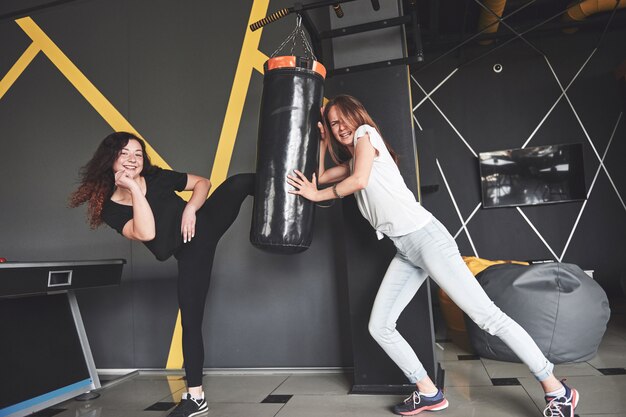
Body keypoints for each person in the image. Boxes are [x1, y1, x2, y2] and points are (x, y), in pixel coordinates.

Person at [286, 95, 579, 417]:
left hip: (426, 239)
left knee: (489, 318)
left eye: (343, 119)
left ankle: (557, 390)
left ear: (358, 117)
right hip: (405, 248)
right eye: (332, 123)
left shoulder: (365, 135)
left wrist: (316, 195)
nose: (339, 127)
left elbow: (356, 182)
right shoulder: (356, 156)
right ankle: (428, 392)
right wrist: (324, 143)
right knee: (380, 326)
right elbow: (319, 178)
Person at [70, 132, 254, 417]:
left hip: (205, 223)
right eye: (125, 154)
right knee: (191, 322)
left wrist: (191, 209)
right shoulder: (111, 209)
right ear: (111, 159)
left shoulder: (157, 178)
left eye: (138, 154)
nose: (133, 159)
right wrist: (132, 188)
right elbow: (147, 232)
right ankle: (196, 398)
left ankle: (308, 195)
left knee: (241, 181)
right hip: (190, 252)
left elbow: (202, 183)